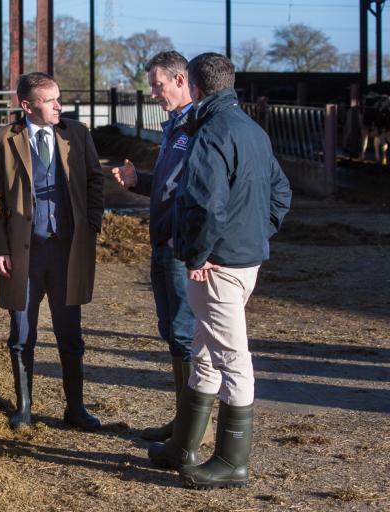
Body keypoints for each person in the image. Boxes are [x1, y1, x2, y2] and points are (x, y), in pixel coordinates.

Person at [147, 53, 292, 489]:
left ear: (192, 83)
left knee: (232, 357)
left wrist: (198, 253)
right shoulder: (251, 130)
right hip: (244, 260)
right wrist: (254, 236)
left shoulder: (208, 132)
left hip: (217, 266)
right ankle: (183, 446)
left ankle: (232, 461)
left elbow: (204, 204)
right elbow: (280, 193)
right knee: (206, 351)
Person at [0, 72, 105, 431]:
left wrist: (92, 224)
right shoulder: (3, 139)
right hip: (24, 255)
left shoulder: (77, 134)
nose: (58, 105)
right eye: (50, 100)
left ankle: (76, 408)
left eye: (58, 98)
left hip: (67, 252)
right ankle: (24, 407)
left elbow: (95, 180)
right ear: (27, 106)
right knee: (21, 334)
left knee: (71, 334)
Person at [111, 51, 211, 445]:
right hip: (162, 241)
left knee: (185, 333)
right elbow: (172, 185)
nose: (153, 92)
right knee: (171, 330)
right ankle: (183, 420)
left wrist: (186, 238)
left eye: (158, 85)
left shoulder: (200, 126)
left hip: (178, 245)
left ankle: (193, 431)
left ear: (181, 80)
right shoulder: (174, 126)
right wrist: (139, 181)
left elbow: (202, 189)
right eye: (152, 86)